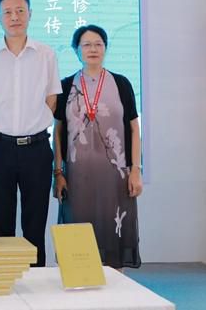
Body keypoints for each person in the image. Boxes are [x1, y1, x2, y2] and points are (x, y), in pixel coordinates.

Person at [0, 0, 61, 267]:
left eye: (20, 11)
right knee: (1, 224)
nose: (14, 17)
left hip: (36, 149)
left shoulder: (46, 54)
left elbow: (51, 98)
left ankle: (35, 280)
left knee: (35, 224)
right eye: (8, 12)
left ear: (30, 14)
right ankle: (5, 282)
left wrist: (33, 123)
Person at [53, 24, 142, 269]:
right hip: (76, 176)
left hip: (116, 176)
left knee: (113, 231)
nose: (93, 49)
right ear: (76, 50)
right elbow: (57, 132)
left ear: (105, 48)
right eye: (86, 45)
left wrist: (136, 169)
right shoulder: (65, 86)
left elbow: (134, 129)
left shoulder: (121, 83)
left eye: (98, 44)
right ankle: (79, 281)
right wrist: (58, 173)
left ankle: (116, 285)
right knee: (78, 231)